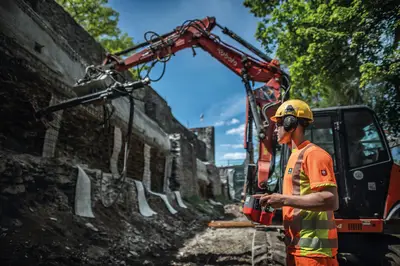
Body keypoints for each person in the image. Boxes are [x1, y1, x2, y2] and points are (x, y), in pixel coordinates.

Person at [256, 99, 339, 266]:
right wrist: (272, 198)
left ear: (290, 124)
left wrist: (284, 200)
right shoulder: (295, 156)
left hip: (314, 251)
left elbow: (331, 200)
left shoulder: (314, 154)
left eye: (279, 124)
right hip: (298, 248)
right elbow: (297, 196)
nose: (275, 130)